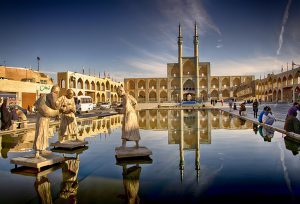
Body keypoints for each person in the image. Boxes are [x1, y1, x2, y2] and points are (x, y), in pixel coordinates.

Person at [33, 85, 60, 158]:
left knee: (45, 134)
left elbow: (54, 107)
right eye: (56, 92)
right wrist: (58, 111)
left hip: (46, 119)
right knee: (40, 133)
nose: (56, 94)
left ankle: (43, 149)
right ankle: (37, 151)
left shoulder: (48, 97)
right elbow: (46, 111)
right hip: (42, 119)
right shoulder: (45, 97)